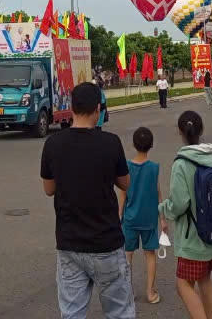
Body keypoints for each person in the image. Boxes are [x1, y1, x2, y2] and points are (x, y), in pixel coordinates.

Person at [40, 81, 133, 319]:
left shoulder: (53, 144)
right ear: (98, 110)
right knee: (120, 312)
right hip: (107, 242)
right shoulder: (110, 143)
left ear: (71, 108)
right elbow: (125, 184)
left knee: (72, 313)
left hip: (69, 243)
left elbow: (48, 189)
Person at [158, 110, 212, 319]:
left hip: (193, 237)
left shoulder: (182, 163)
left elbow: (179, 203)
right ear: (201, 131)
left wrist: (163, 209)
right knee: (204, 280)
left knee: (182, 284)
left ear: (180, 132)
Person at [120, 126, 162, 304]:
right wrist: (163, 219)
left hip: (130, 218)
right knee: (150, 254)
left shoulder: (127, 167)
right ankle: (150, 292)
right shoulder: (154, 168)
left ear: (134, 144)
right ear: (151, 145)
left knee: (127, 255)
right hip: (149, 219)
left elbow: (122, 194)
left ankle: (128, 292)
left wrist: (118, 216)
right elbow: (158, 194)